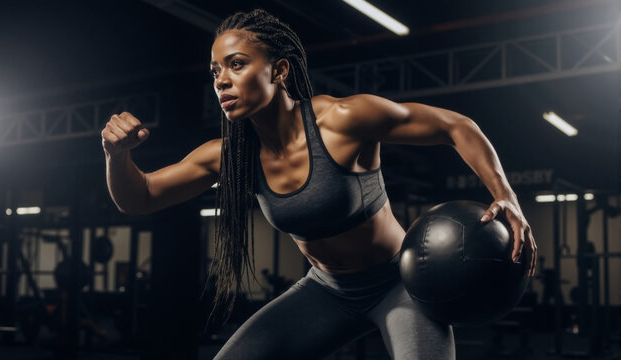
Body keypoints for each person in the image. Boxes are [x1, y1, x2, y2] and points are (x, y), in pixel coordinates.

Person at [102, 9, 537, 360]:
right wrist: (116, 156)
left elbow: (455, 126)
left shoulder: (343, 121)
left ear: (279, 70)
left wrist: (506, 195)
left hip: (400, 286)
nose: (221, 79)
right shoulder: (229, 157)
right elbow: (139, 198)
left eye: (236, 64)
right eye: (215, 70)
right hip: (326, 292)